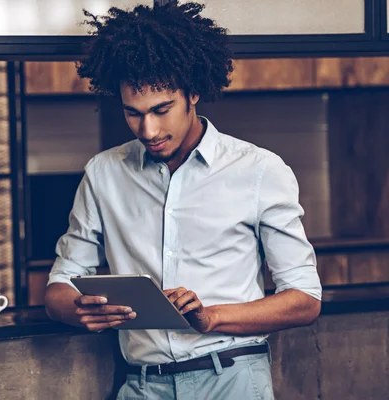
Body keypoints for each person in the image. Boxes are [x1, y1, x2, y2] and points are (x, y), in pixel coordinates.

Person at [44, 2, 322, 399]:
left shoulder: (259, 170)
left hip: (232, 378)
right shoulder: (104, 173)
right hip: (141, 384)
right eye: (133, 113)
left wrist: (210, 317)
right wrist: (81, 309)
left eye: (161, 109)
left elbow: (305, 300)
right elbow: (59, 287)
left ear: (193, 93)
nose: (149, 129)